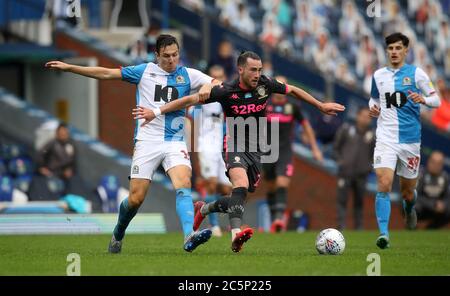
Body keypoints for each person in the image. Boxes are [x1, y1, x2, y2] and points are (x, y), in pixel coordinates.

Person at [133, 51, 345, 252]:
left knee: (240, 197)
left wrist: (320, 105)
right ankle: (235, 234)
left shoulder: (266, 84)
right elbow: (190, 100)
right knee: (240, 186)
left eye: (260, 69)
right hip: (233, 144)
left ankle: (204, 209)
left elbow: (293, 90)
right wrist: (157, 111)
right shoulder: (226, 90)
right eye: (253, 70)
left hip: (257, 148)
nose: (258, 74)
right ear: (241, 70)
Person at [46, 34, 217, 253]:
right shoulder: (144, 71)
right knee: (136, 199)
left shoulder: (189, 75)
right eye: (166, 56)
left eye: (175, 55)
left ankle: (188, 236)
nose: (172, 60)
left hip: (175, 141)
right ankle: (118, 233)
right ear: (156, 55)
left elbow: (216, 83)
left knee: (183, 184)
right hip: (146, 141)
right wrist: (70, 68)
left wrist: (208, 85)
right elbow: (107, 73)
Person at [369, 32, 441, 249]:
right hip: (385, 138)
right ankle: (384, 234)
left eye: (398, 48)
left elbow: (436, 99)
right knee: (383, 183)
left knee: (408, 191)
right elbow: (373, 97)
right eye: (390, 48)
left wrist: (424, 100)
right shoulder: (378, 75)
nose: (394, 52)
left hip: (410, 141)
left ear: (406, 51)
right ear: (386, 51)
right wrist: (372, 108)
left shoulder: (417, 73)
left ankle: (409, 208)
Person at [263, 75, 323, 233]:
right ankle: (273, 219)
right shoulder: (264, 104)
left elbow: (306, 126)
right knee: (270, 188)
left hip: (285, 151)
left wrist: (315, 148)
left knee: (282, 184)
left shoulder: (293, 106)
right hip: (267, 151)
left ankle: (278, 219)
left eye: (281, 84)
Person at [187, 65, 232, 237]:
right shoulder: (201, 99)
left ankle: (204, 208)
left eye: (220, 76)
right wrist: (195, 153)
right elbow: (192, 124)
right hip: (205, 145)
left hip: (222, 146)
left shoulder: (226, 99)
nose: (216, 81)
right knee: (211, 183)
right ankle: (214, 226)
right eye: (214, 76)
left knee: (228, 189)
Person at [333, 107, 375, 230]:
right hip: (345, 172)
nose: (365, 119)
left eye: (368, 117)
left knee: (359, 202)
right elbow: (336, 148)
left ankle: (359, 227)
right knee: (341, 201)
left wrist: (368, 168)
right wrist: (340, 161)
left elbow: (375, 154)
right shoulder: (346, 129)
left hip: (362, 175)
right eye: (363, 116)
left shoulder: (373, 135)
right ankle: (341, 226)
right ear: (357, 116)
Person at [416, 151, 450, 228]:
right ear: (429, 162)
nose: (436, 166)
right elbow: (416, 196)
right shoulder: (421, 176)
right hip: (423, 208)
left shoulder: (445, 177)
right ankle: (412, 227)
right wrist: (433, 204)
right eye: (434, 162)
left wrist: (444, 204)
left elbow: (448, 197)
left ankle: (430, 228)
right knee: (412, 207)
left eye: (439, 163)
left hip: (438, 210)